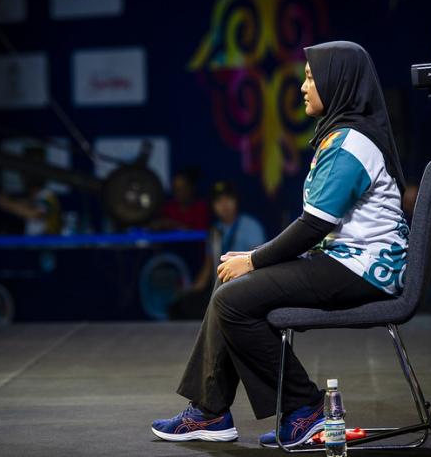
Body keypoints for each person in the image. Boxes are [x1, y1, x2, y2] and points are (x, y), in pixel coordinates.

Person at [151, 41, 409, 448]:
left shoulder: (352, 144)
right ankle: (211, 411)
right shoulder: (343, 135)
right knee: (228, 284)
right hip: (345, 261)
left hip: (363, 270)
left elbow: (312, 227)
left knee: (233, 301)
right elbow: (317, 229)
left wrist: (254, 260)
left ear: (336, 82)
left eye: (310, 78)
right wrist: (248, 261)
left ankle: (303, 408)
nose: (303, 87)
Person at [169, 181, 265, 319]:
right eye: (219, 201)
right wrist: (189, 291)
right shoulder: (214, 230)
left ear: (236, 201)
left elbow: (259, 263)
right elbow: (208, 269)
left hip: (245, 287)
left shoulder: (251, 226)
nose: (224, 205)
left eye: (228, 199)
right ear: (213, 206)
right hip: (220, 288)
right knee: (182, 305)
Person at [0, 148, 61, 236]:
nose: (23, 176)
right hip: (34, 245)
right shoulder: (34, 197)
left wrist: (7, 204)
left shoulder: (48, 195)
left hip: (46, 247)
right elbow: (26, 204)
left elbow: (36, 214)